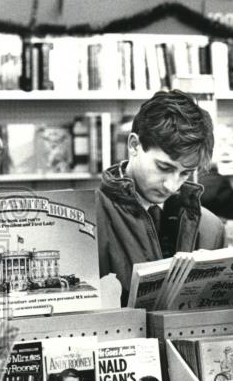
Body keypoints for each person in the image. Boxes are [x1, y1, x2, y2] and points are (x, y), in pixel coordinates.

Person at [96, 90, 226, 305]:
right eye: (163, 167)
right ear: (134, 146)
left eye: (185, 173)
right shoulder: (88, 220)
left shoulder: (210, 227)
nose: (172, 185)